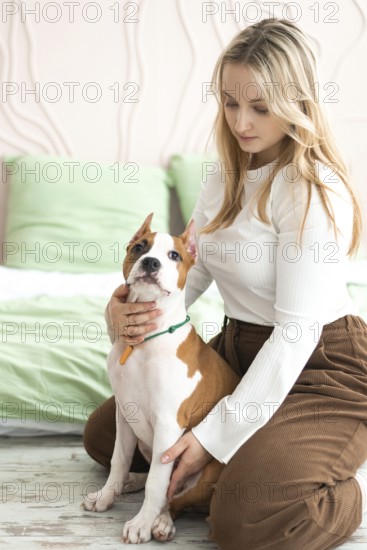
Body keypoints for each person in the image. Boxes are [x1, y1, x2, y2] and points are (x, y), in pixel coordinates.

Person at [83, 18, 367, 550]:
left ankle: (332, 485)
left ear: (298, 102)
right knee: (107, 434)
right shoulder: (224, 173)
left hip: (317, 364)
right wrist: (124, 315)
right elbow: (198, 270)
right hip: (239, 349)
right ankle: (249, 467)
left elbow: (294, 336)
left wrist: (212, 440)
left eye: (260, 107)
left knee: (243, 518)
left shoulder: (312, 190)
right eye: (230, 102)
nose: (241, 121)